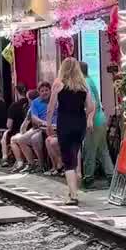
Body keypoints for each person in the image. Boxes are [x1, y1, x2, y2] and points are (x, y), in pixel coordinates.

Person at [47, 58, 95, 205]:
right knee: (75, 152)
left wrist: (48, 124)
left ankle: (73, 195)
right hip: (79, 124)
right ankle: (75, 183)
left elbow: (51, 107)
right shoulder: (83, 85)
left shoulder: (58, 84)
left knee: (68, 159)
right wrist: (84, 115)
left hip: (65, 123)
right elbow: (91, 106)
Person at [80, 60, 114, 188]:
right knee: (102, 149)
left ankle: (88, 178)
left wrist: (89, 119)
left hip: (94, 121)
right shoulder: (90, 80)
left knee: (89, 149)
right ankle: (111, 176)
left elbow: (92, 103)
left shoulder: (84, 82)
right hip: (101, 119)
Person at [11, 81, 52, 171]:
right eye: (42, 91)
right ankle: (31, 163)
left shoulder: (54, 100)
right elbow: (34, 117)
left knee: (35, 139)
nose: (44, 92)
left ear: (50, 91)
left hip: (51, 127)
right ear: (39, 92)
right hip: (39, 127)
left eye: (46, 90)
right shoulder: (35, 102)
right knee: (21, 140)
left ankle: (42, 164)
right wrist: (43, 122)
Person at [1, 83, 28, 165]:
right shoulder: (30, 103)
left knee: (5, 136)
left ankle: (5, 158)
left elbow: (9, 125)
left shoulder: (14, 106)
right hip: (28, 130)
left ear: (16, 92)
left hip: (17, 131)